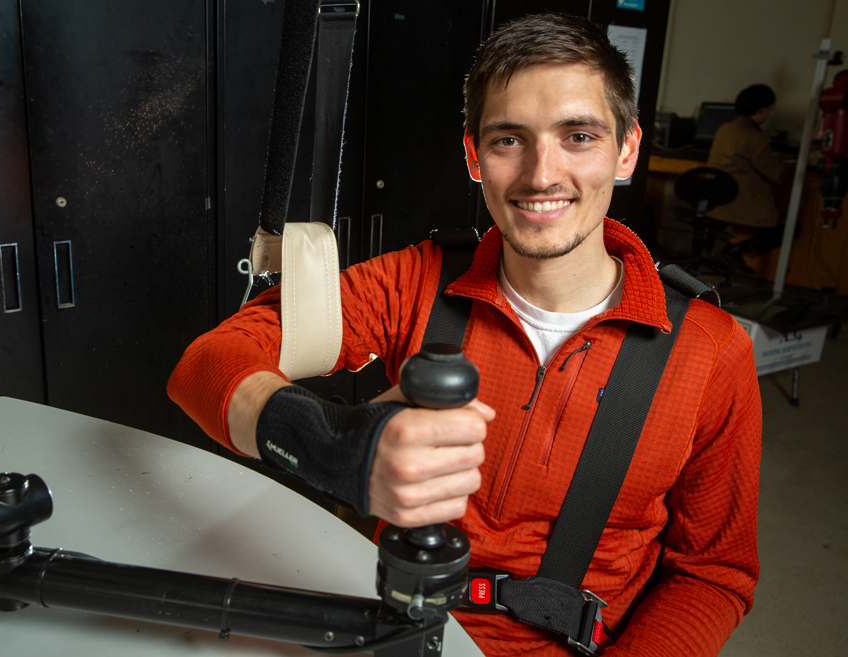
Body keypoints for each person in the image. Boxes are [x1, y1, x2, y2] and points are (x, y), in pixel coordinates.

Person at [169, 13, 761, 656]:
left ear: (626, 150)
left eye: (579, 136)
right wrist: (322, 440)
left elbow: (712, 574)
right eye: (510, 140)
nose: (542, 174)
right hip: (387, 625)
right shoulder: (414, 284)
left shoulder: (709, 349)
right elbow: (207, 362)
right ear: (474, 157)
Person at [707, 84, 789, 273]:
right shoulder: (756, 138)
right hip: (740, 205)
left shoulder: (724, 129)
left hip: (716, 203)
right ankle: (737, 250)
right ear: (762, 110)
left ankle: (714, 253)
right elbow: (777, 175)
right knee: (790, 227)